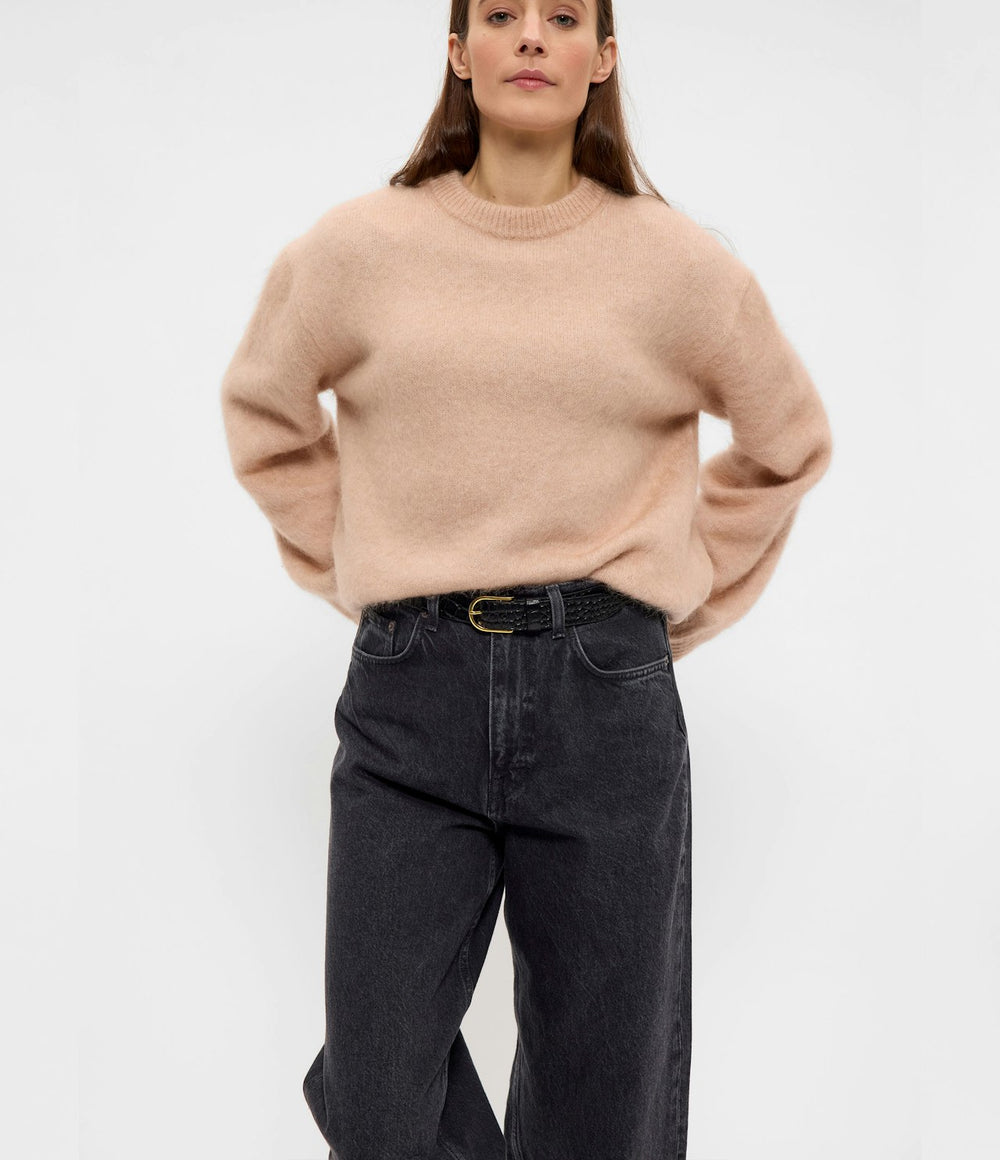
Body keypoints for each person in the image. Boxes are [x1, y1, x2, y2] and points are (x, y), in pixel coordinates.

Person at [219, 1, 833, 1157]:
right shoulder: (358, 249)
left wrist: (672, 593)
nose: (532, 36)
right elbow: (265, 410)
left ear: (604, 56)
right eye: (500, 14)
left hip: (606, 699)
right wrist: (355, 561)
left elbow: (785, 440)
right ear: (459, 53)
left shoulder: (675, 264)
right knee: (377, 1095)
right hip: (410, 694)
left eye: (562, 16)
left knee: (603, 1101)